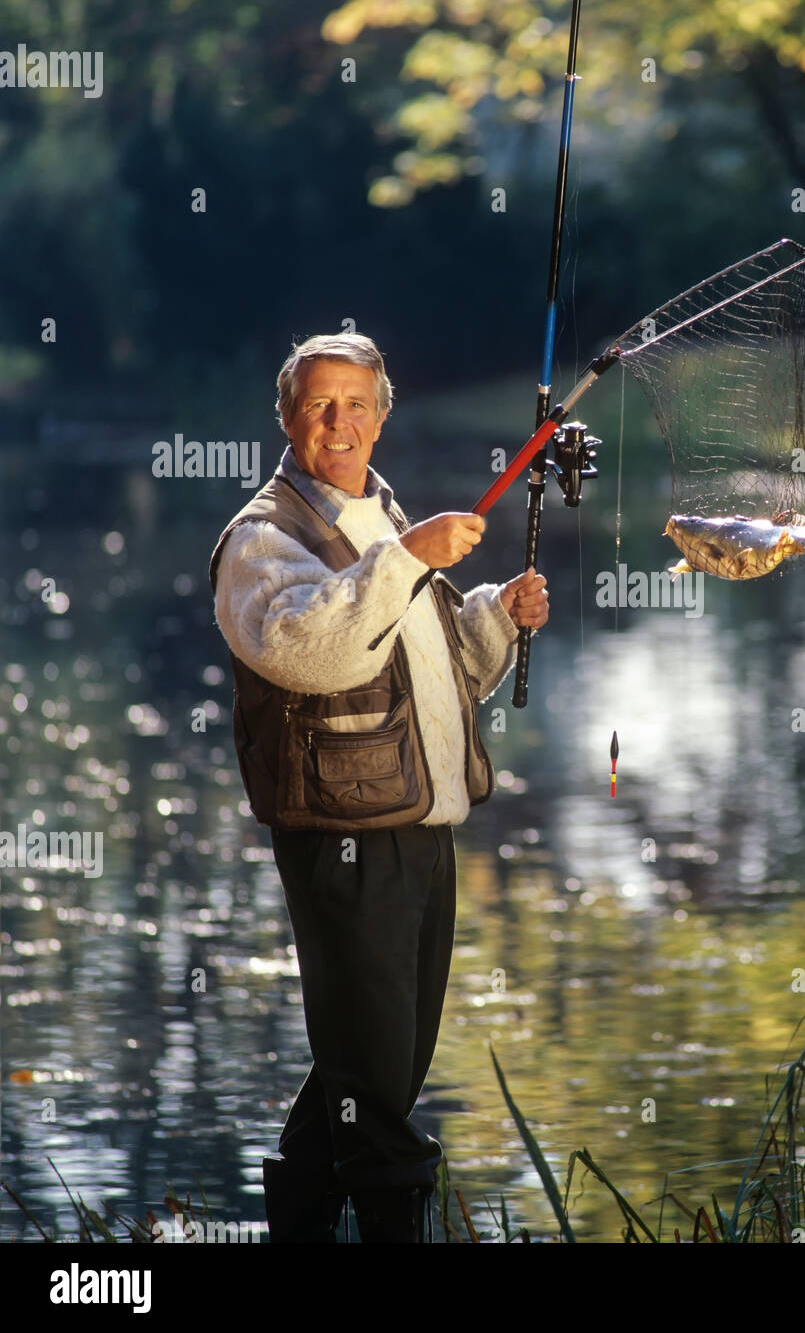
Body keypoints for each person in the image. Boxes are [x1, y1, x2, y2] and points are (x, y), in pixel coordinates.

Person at [207, 333, 548, 1242]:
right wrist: (407, 560)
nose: (340, 421)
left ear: (383, 415)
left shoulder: (383, 513)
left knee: (375, 1070)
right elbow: (309, 652)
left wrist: (494, 617)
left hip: (421, 826)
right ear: (287, 418)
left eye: (358, 403)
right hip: (342, 836)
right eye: (320, 403)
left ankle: (300, 1227)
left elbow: (426, 676)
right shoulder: (263, 538)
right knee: (379, 1088)